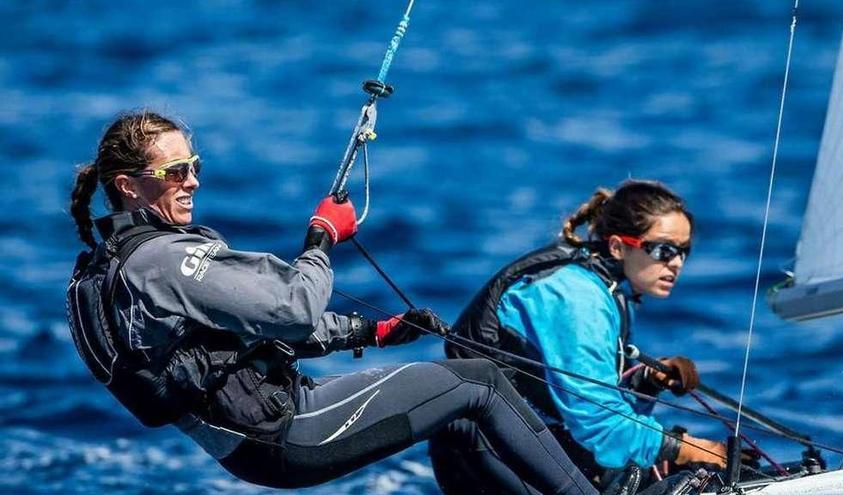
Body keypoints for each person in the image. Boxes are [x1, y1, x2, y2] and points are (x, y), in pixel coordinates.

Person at [64, 110, 602, 494]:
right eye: (174, 172)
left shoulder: (115, 266)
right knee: (477, 380)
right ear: (128, 187)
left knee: (459, 416)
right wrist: (322, 237)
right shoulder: (162, 261)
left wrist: (373, 332)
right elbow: (293, 309)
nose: (193, 181)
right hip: (285, 433)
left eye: (194, 165)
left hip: (256, 442)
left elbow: (250, 341)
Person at [429, 180, 729, 494]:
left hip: (532, 442)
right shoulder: (575, 295)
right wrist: (691, 448)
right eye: (664, 250)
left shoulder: (612, 292)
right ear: (617, 246)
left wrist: (646, 384)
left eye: (684, 251)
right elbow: (600, 424)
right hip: (486, 450)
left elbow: (603, 412)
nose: (677, 262)